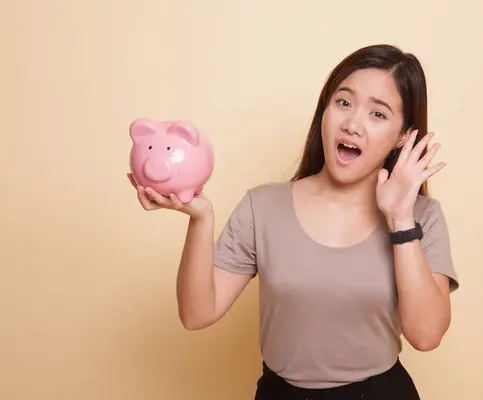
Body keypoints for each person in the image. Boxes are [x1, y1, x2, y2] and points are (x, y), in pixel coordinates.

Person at [128, 43, 460, 400]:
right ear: (324, 110)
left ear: (402, 137)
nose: (352, 124)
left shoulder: (422, 216)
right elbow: (196, 314)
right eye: (343, 102)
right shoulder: (263, 206)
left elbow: (426, 336)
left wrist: (399, 218)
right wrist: (200, 219)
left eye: (377, 114)